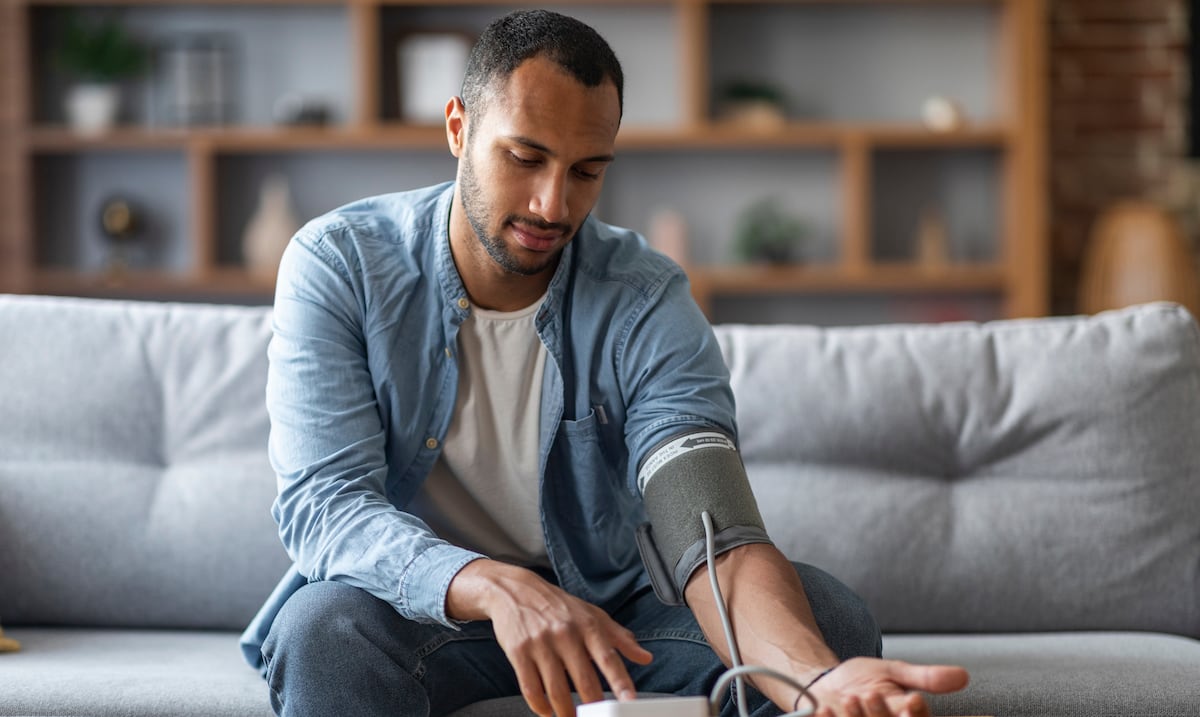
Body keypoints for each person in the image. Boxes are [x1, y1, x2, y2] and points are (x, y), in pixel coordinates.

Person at [240, 9, 969, 717]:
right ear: (458, 128)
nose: (552, 205)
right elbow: (326, 504)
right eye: (525, 158)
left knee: (829, 621)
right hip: (428, 611)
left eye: (587, 170)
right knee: (324, 634)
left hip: (610, 616)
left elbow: (709, 529)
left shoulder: (645, 299)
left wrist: (814, 680)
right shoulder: (340, 264)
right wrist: (496, 587)